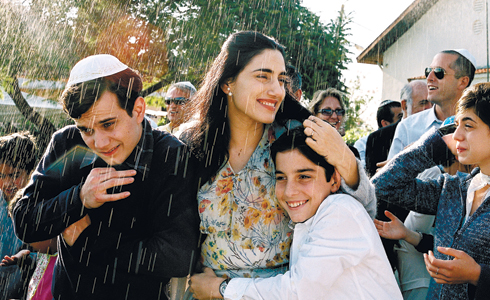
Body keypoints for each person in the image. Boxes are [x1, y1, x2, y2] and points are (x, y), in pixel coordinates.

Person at [180, 31, 375, 298]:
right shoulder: (193, 141)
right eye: (263, 76)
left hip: (281, 292)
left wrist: (343, 158)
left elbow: (362, 211)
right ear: (228, 83)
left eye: (281, 80)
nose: (277, 90)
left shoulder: (298, 138)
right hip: (204, 292)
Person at [12, 54, 200, 299]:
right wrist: (79, 198)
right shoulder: (68, 145)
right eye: (86, 130)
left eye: (108, 124)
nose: (99, 142)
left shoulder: (170, 156)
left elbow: (177, 256)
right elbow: (25, 221)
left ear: (139, 109)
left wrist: (87, 241)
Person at [188, 128, 401, 299]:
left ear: (335, 180)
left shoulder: (340, 211)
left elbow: (297, 292)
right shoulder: (310, 220)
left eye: (304, 177)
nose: (289, 191)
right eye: (281, 178)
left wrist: (221, 288)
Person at [372, 82, 490, 300]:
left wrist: (477, 275)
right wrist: (432, 143)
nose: (456, 136)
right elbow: (382, 185)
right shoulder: (453, 188)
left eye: (469, 126)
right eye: (455, 126)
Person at [387, 49, 476, 160]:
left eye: (439, 72)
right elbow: (392, 174)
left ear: (462, 82)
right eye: (428, 71)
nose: (429, 78)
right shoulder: (407, 128)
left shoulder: (482, 126)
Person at [0, 132, 38, 300]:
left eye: (15, 175)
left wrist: (27, 259)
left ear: (31, 172)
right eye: (1, 176)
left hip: (19, 291)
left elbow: (48, 254)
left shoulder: (36, 206)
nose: (7, 183)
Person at [308, 88, 360, 158]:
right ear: (314, 115)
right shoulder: (303, 148)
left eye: (338, 111)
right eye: (326, 111)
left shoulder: (351, 153)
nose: (334, 116)